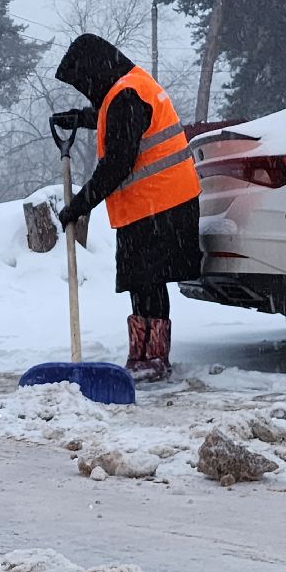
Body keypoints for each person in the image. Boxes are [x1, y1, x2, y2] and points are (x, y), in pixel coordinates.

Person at [49, 33, 202, 382]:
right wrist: (81, 118)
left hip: (161, 204)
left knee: (149, 282)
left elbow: (117, 163)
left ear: (94, 71)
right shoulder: (129, 87)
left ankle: (153, 358)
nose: (86, 90)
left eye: (84, 83)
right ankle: (142, 355)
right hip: (154, 203)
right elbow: (115, 119)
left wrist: (79, 205)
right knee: (141, 282)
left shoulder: (127, 95)